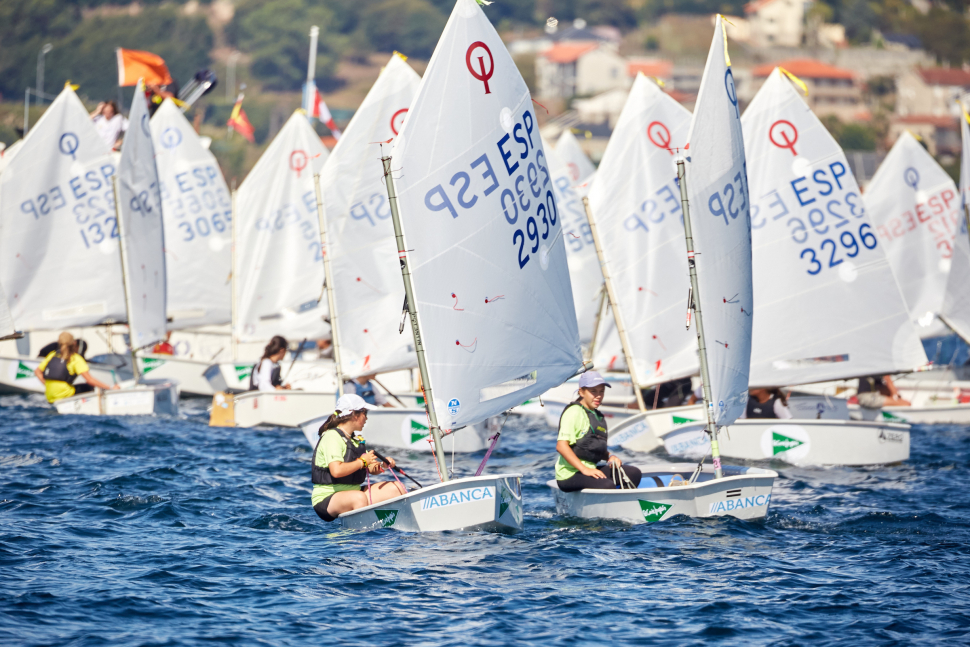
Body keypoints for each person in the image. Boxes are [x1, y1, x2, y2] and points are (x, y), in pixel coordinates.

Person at [311, 393, 407, 521]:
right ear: (355, 415)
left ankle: (395, 524)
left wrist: (382, 465)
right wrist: (362, 462)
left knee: (397, 488)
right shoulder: (332, 437)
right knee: (359, 498)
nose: (366, 418)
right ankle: (361, 538)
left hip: (354, 491)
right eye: (365, 413)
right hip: (327, 497)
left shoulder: (356, 439)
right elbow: (337, 471)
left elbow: (371, 467)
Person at [556, 371, 642, 492]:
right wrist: (585, 470)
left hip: (591, 470)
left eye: (601, 391)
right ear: (581, 392)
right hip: (570, 474)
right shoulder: (574, 412)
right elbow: (561, 446)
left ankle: (621, 502)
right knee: (607, 485)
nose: (598, 396)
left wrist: (610, 457)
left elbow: (591, 448)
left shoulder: (597, 415)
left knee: (633, 473)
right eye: (593, 391)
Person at [34, 332, 119, 403]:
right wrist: (111, 388)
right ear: (74, 343)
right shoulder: (75, 358)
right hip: (65, 395)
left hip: (50, 396)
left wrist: (47, 385)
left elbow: (37, 372)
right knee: (89, 387)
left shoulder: (52, 355)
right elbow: (90, 380)